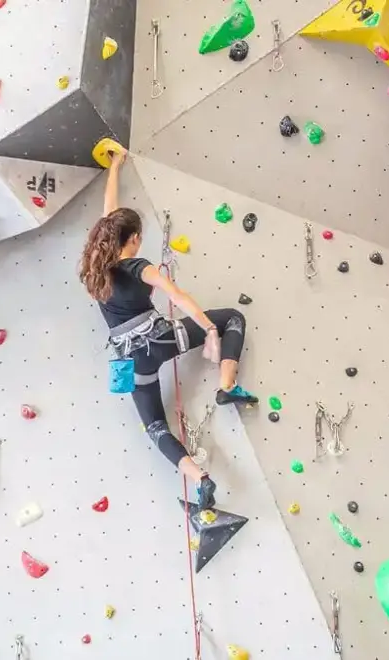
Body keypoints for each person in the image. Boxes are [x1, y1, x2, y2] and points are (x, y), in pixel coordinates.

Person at [78, 149, 258, 509]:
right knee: (233, 318)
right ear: (131, 240)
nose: (140, 241)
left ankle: (200, 479)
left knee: (155, 426)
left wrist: (115, 166)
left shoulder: (96, 262)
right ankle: (226, 387)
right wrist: (208, 329)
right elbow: (180, 295)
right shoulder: (140, 267)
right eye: (138, 237)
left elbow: (109, 208)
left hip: (131, 361)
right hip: (161, 339)